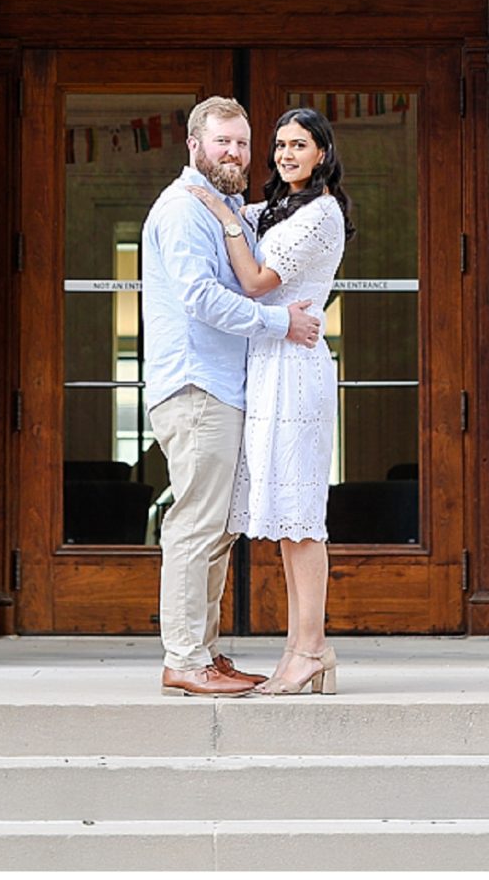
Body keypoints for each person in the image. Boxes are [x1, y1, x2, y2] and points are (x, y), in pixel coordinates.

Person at [141, 97, 322, 698]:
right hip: (197, 386)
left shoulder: (218, 207)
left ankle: (204, 653)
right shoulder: (183, 210)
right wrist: (280, 325)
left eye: (243, 144)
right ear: (194, 144)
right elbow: (200, 297)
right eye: (223, 142)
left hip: (222, 388)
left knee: (215, 527)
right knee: (195, 525)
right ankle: (186, 660)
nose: (236, 154)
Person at [184, 107, 351, 696]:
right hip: (267, 363)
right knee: (285, 519)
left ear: (322, 154)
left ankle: (310, 649)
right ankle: (304, 649)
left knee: (301, 517)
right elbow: (231, 215)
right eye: (279, 145)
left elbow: (255, 281)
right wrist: (220, 209)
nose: (285, 154)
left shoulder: (321, 214)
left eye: (298, 145)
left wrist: (223, 219)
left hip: (296, 369)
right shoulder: (277, 208)